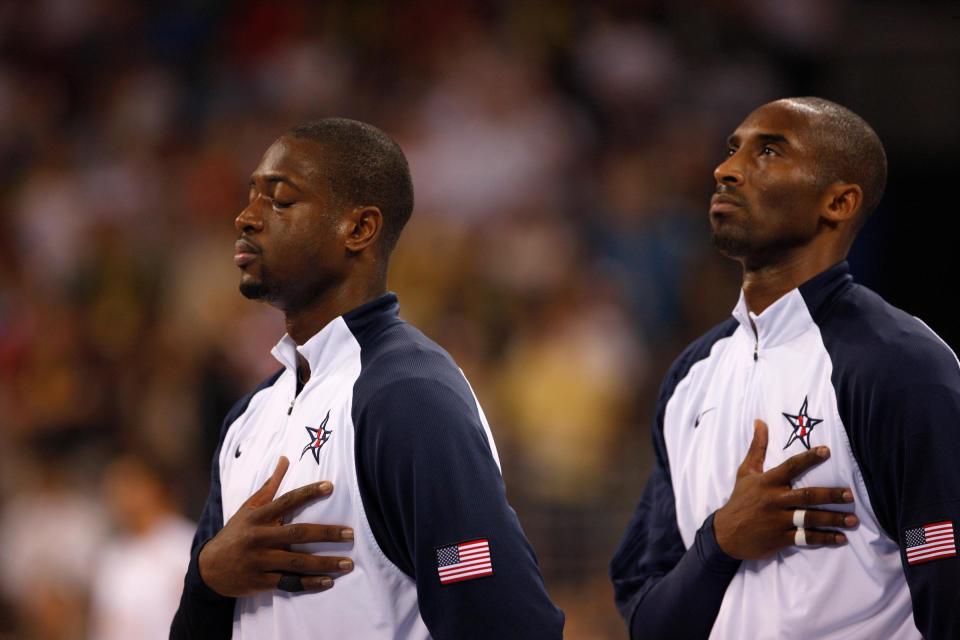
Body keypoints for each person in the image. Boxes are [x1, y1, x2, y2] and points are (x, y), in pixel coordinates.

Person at [170, 118, 563, 639]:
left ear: (358, 229)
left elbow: (504, 619)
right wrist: (207, 579)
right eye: (250, 197)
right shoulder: (250, 416)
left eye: (281, 200)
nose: (246, 218)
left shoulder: (409, 396)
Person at [610, 97, 960, 639]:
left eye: (769, 151)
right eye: (732, 150)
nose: (725, 169)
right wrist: (720, 542)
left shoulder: (899, 365)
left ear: (839, 202)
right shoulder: (690, 375)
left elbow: (948, 581)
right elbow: (647, 616)